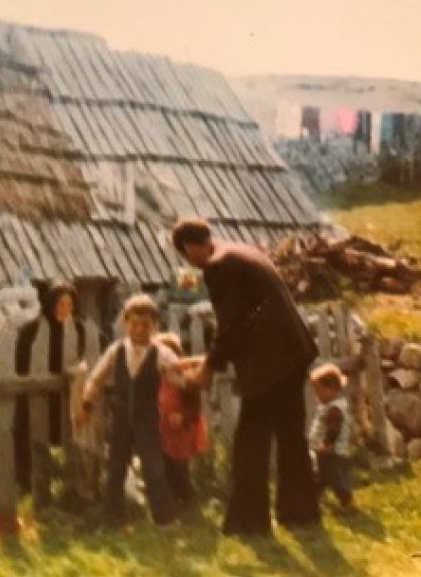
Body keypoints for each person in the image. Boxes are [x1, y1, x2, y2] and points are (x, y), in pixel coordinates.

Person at [172, 217, 320, 536]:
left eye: (186, 257)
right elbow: (250, 318)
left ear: (190, 248)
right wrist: (211, 358)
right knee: (291, 436)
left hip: (270, 364)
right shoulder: (238, 251)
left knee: (250, 443)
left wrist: (208, 369)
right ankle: (301, 514)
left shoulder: (218, 266)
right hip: (292, 352)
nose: (190, 264)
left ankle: (249, 523)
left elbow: (232, 325)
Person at [76, 294, 192, 527]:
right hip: (121, 419)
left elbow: (182, 381)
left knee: (154, 470)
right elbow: (95, 379)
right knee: (116, 468)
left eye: (145, 325)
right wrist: (86, 404)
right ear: (125, 323)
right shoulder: (115, 350)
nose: (139, 329)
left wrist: (185, 403)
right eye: (134, 324)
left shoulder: (161, 354)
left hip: (148, 421)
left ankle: (165, 519)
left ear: (154, 325)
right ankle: (112, 518)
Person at [14, 281, 84, 493]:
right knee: (33, 439)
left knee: (72, 440)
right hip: (37, 395)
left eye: (69, 305)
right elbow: (21, 364)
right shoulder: (31, 331)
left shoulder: (78, 330)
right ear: (49, 305)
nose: (64, 310)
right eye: (60, 305)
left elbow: (91, 354)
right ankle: (31, 487)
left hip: (67, 396)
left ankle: (72, 489)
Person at [155, 332, 208, 507]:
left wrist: (184, 416)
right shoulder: (157, 380)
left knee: (178, 464)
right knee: (164, 463)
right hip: (162, 428)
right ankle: (170, 497)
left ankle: (186, 497)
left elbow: (195, 407)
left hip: (181, 430)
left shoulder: (186, 380)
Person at [309, 364, 354, 511]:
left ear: (333, 389)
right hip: (326, 451)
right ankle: (313, 498)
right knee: (320, 476)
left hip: (332, 452)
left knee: (334, 477)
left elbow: (333, 429)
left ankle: (346, 499)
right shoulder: (329, 405)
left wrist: (327, 445)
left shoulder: (335, 408)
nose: (317, 395)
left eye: (319, 391)